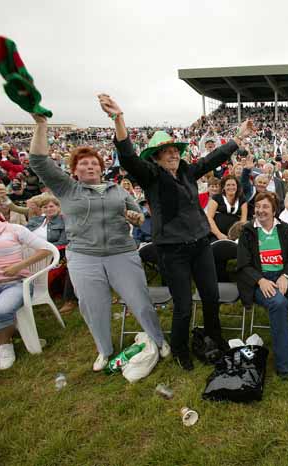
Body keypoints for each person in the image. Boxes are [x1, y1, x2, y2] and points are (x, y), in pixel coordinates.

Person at [99, 93, 255, 371]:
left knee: (210, 296)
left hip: (199, 245)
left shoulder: (185, 171)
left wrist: (238, 138)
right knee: (183, 305)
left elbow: (211, 159)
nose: (173, 154)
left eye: (175, 150)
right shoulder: (150, 176)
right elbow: (127, 156)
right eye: (167, 151)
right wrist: (119, 119)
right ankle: (181, 347)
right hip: (172, 250)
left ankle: (214, 335)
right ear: (157, 157)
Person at [29, 114, 168, 372]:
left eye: (95, 163)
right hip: (84, 256)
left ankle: (159, 340)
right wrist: (41, 125)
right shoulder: (67, 189)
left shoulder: (119, 191)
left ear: (102, 169)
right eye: (84, 164)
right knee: (94, 306)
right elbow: (38, 161)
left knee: (139, 301)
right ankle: (104, 350)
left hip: (122, 253)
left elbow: (137, 217)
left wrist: (136, 217)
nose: (90, 166)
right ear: (74, 170)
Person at [236, 192, 288, 379]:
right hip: (261, 279)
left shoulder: (284, 229)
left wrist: (285, 276)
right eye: (258, 207)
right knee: (278, 304)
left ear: (274, 210)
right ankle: (284, 366)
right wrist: (260, 280)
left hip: (285, 276)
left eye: (265, 207)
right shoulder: (248, 231)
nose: (261, 210)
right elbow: (243, 265)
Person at [0, 195, 53, 370]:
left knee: (0, 310)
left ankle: (4, 346)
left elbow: (46, 249)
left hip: (14, 283)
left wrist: (19, 265)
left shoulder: (13, 229)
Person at [207, 175, 248, 240]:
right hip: (215, 235)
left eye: (233, 185)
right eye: (228, 185)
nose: (231, 187)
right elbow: (209, 218)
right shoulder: (216, 198)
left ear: (237, 186)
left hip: (235, 236)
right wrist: (219, 234)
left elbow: (243, 221)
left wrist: (235, 237)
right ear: (223, 187)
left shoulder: (242, 200)